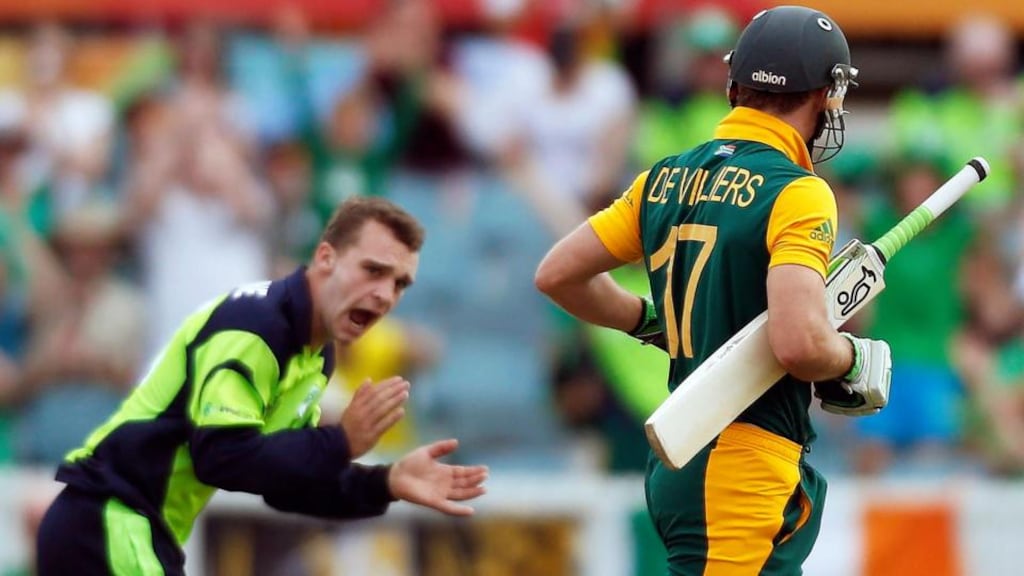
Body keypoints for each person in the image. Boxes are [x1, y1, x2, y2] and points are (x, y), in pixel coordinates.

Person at [535, 6, 891, 574]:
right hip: (741, 461)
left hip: (689, 451)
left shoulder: (662, 177)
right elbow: (799, 342)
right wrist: (852, 357)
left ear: (734, 85)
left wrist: (648, 321)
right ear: (826, 94)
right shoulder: (799, 192)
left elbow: (556, 274)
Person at [35, 196, 488, 575]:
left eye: (400, 283)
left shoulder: (314, 352)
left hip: (128, 528)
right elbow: (221, 456)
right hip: (109, 524)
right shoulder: (256, 328)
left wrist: (386, 482)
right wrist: (340, 440)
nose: (386, 295)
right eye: (373, 270)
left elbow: (287, 481)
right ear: (325, 257)